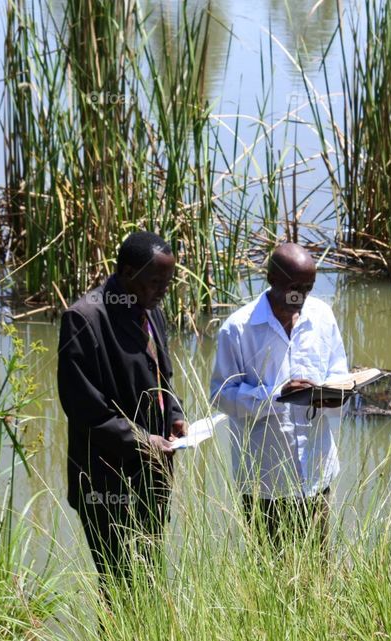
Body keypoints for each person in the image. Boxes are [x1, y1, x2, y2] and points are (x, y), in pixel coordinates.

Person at [57, 231, 188, 584]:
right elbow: (84, 409)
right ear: (128, 272)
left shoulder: (150, 311)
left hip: (153, 475)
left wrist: (174, 416)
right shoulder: (84, 318)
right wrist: (144, 441)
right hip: (105, 478)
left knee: (150, 575)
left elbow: (162, 377)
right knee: (117, 582)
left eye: (168, 282)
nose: (164, 290)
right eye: (156, 281)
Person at [210, 243, 348, 551]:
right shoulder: (237, 329)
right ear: (271, 277)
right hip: (265, 482)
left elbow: (339, 371)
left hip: (316, 473)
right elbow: (220, 395)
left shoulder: (322, 317)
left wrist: (334, 395)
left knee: (318, 566)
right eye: (292, 288)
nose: (300, 297)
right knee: (269, 570)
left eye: (308, 288)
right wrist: (274, 396)